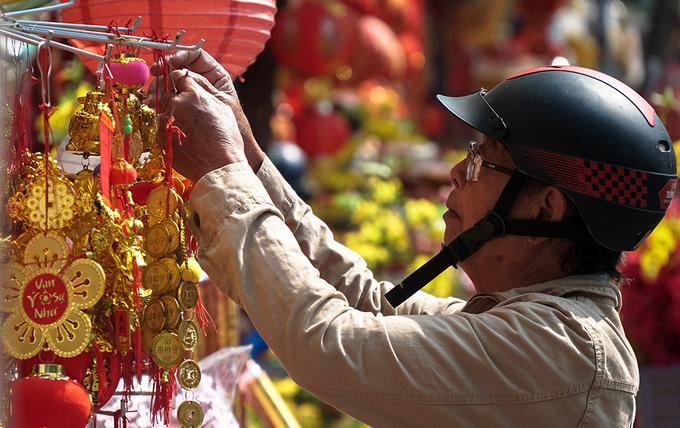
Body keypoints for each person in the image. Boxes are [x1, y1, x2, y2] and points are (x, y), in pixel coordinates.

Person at [153, 50, 677, 427]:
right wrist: (247, 158)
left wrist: (224, 173)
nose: (456, 172)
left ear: (546, 206)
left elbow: (329, 344)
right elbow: (370, 306)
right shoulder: (539, 325)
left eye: (481, 161)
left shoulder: (563, 350)